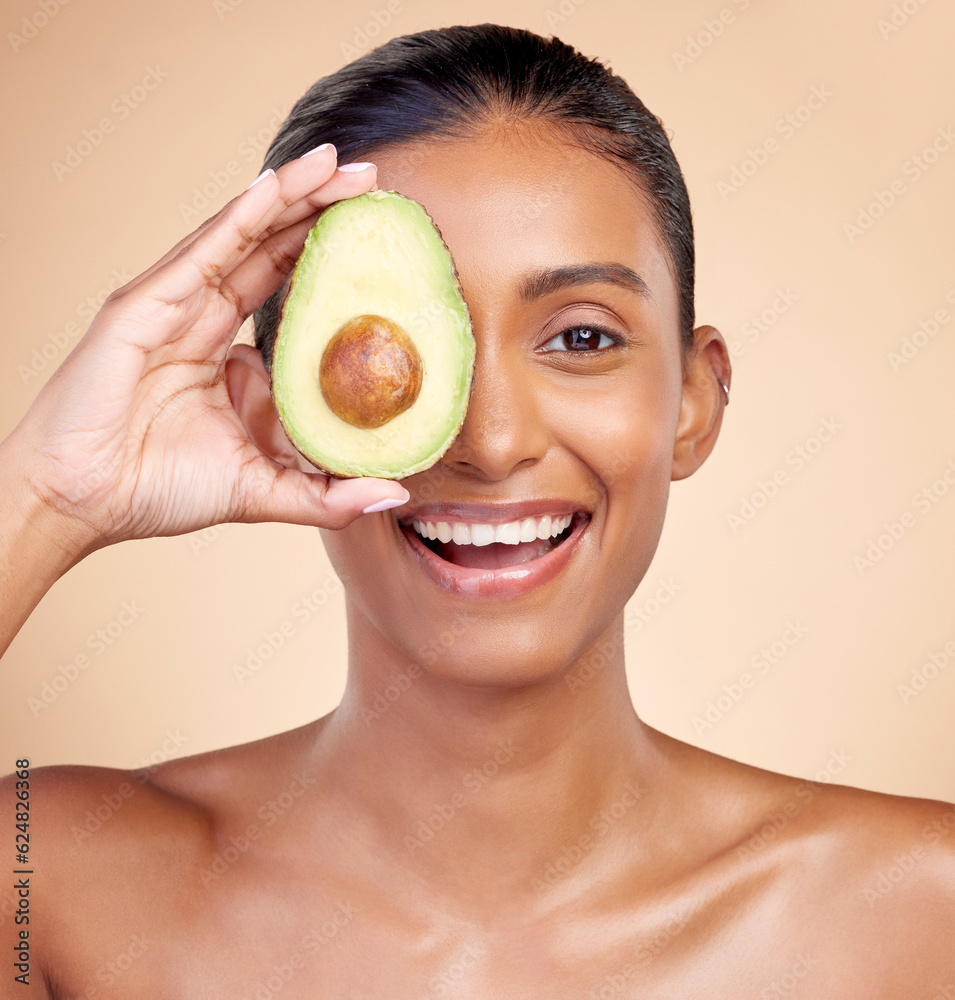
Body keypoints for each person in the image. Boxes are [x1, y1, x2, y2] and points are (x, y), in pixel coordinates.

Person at [2, 23, 953, 998]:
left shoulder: (926, 912)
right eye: (391, 347)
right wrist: (46, 492)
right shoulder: (45, 881)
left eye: (581, 336)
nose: (492, 442)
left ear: (692, 402)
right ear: (276, 413)